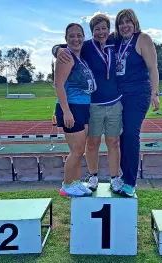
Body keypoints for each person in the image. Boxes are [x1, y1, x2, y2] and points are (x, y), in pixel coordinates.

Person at [52, 14, 124, 193]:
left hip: (104, 104)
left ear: (109, 29)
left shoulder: (115, 41)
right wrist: (57, 50)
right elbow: (62, 52)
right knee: (86, 145)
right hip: (86, 106)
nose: (101, 32)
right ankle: (83, 179)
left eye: (104, 28)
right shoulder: (81, 49)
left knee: (111, 142)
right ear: (91, 33)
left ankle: (112, 178)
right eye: (97, 29)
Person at [114, 9, 160, 197]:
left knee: (131, 134)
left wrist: (155, 93)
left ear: (135, 23)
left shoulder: (143, 39)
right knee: (119, 136)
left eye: (128, 22)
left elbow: (153, 67)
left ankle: (130, 182)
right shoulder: (115, 40)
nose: (125, 26)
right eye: (121, 23)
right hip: (118, 95)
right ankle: (120, 176)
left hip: (138, 94)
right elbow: (92, 43)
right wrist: (59, 49)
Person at [54, 23, 97, 197]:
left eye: (79, 35)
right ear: (66, 39)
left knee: (80, 150)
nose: (76, 39)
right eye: (72, 36)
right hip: (71, 107)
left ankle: (76, 182)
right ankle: (66, 185)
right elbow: (58, 85)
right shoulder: (66, 56)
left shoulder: (80, 57)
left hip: (83, 107)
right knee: (76, 151)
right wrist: (67, 112)